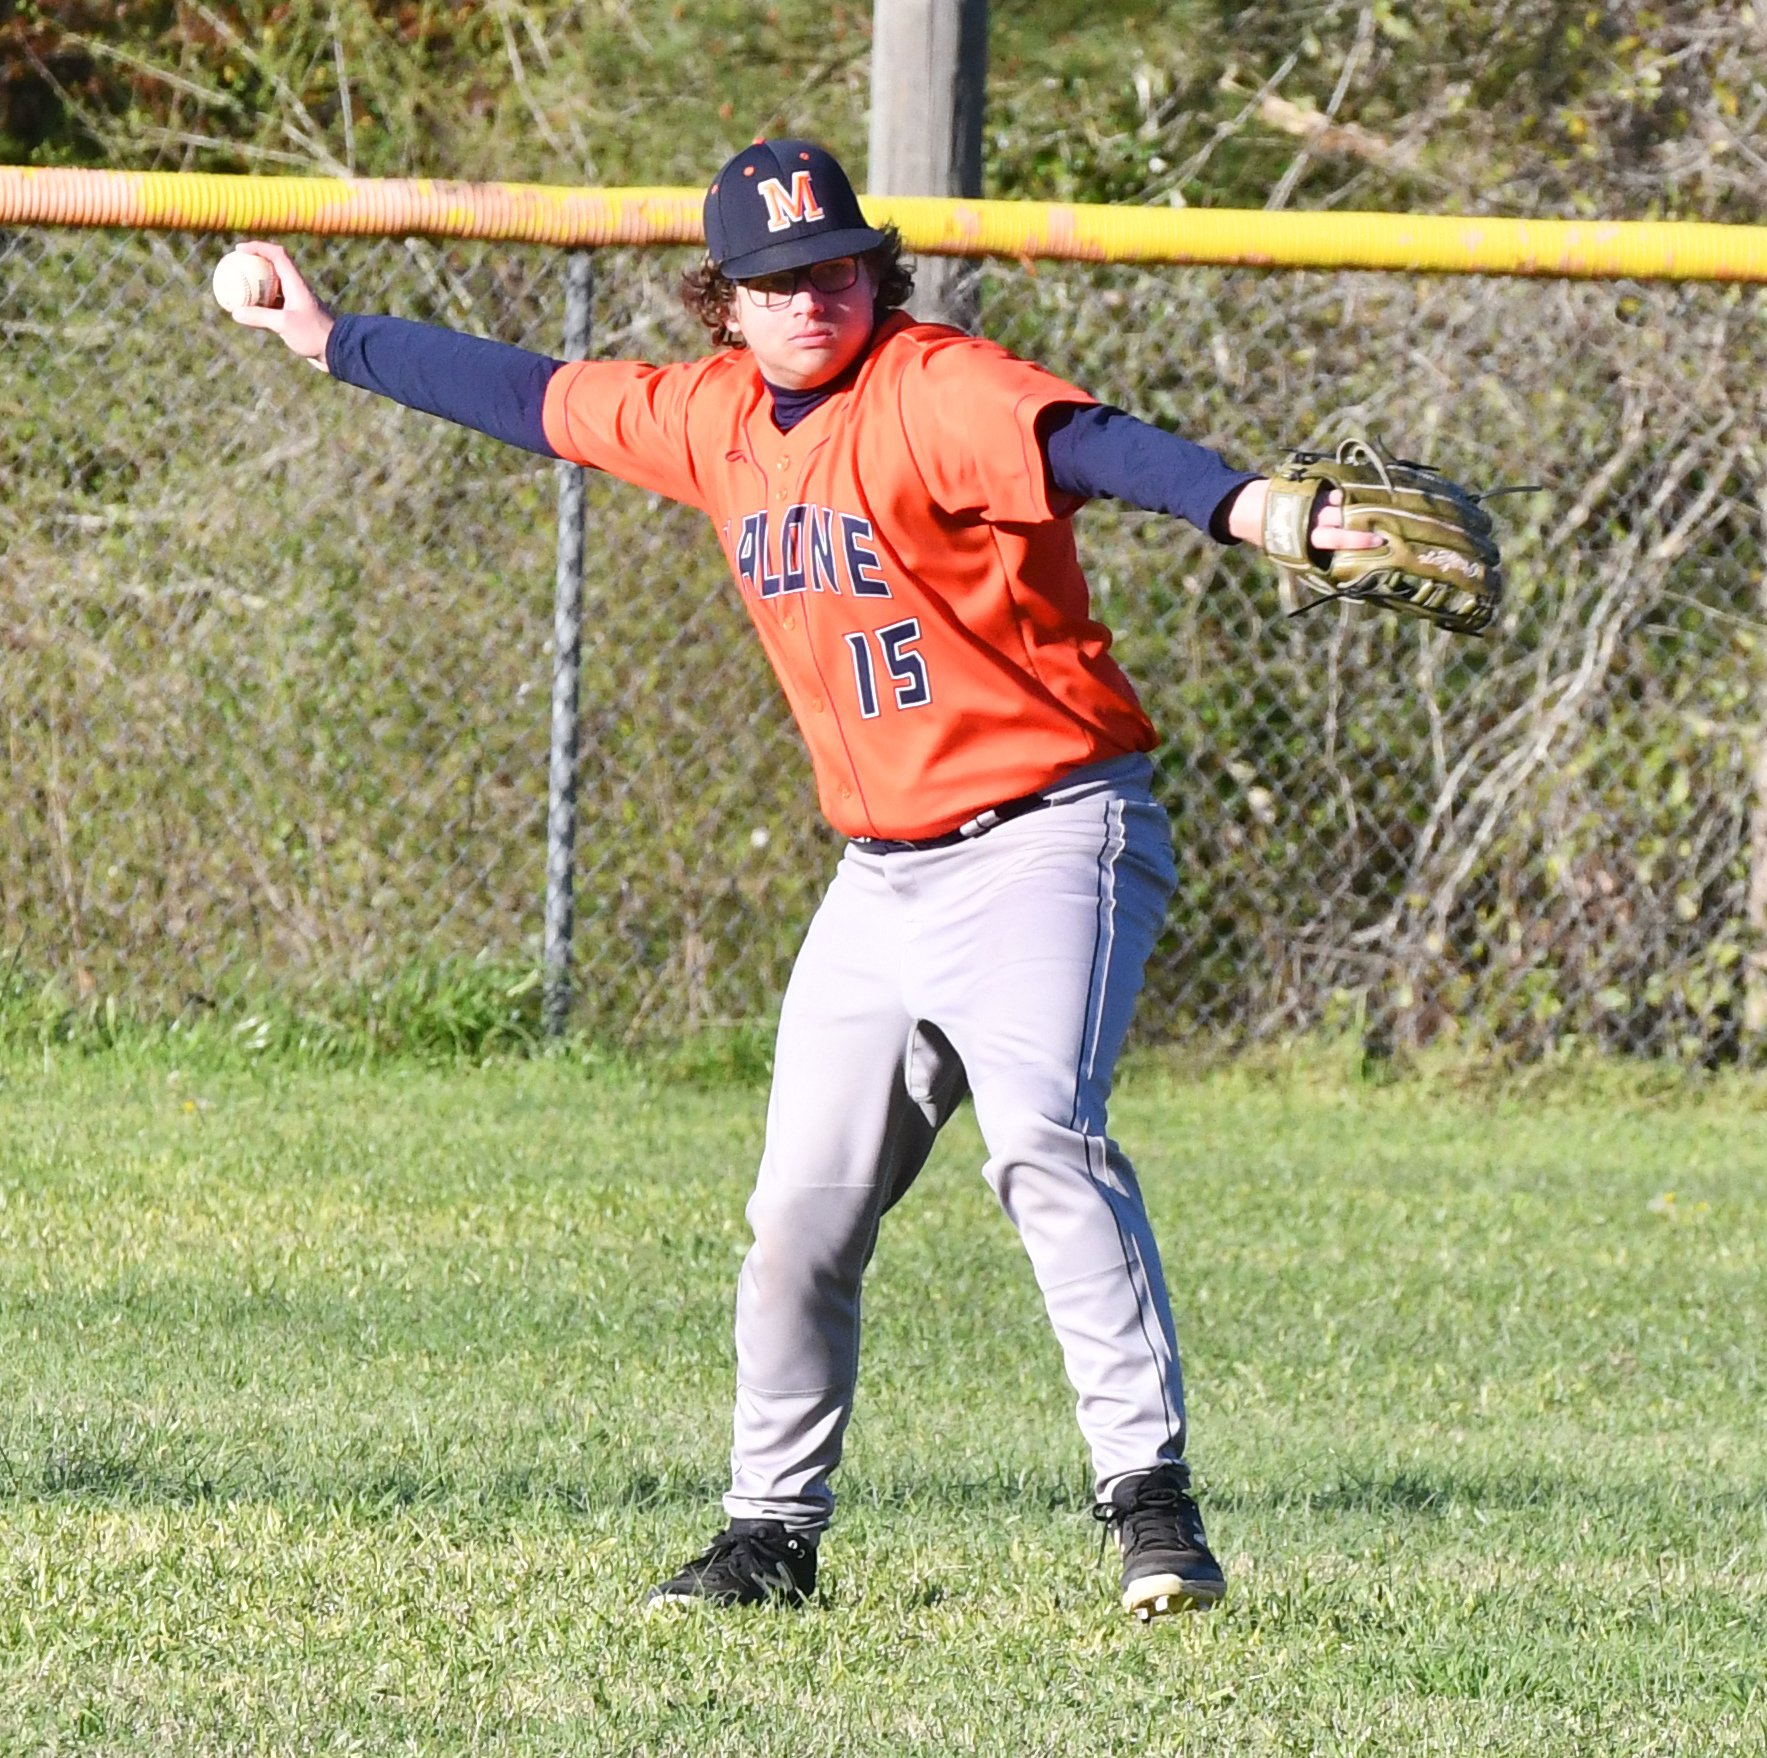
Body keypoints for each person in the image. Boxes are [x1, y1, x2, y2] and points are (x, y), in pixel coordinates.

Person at [231, 137, 1376, 1623]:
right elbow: (528, 397)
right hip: (881, 878)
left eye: (833, 265)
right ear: (726, 304)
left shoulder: (933, 384)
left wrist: (1244, 506)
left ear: (869, 270)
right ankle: (770, 1536)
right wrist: (328, 341)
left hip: (1051, 830)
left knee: (1040, 1134)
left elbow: (1088, 441)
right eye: (774, 279)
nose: (810, 296)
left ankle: (1152, 1508)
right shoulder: (712, 419)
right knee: (800, 1219)